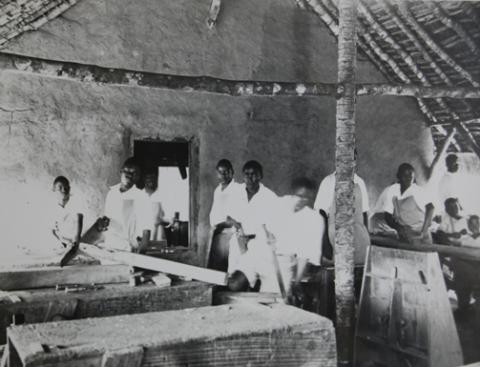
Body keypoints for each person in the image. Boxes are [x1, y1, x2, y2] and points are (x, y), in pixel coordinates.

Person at [227, 177, 324, 299]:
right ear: (292, 193)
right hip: (258, 252)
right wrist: (268, 231)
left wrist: (297, 281)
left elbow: (304, 255)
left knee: (272, 304)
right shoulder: (278, 203)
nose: (301, 200)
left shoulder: (314, 220)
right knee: (235, 284)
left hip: (282, 263)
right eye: (298, 196)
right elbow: (258, 220)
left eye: (306, 198)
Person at [225, 160, 278, 273]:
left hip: (259, 244)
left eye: (253, 174)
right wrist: (236, 225)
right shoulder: (236, 193)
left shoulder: (270, 197)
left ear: (260, 176)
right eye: (246, 174)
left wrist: (255, 238)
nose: (249, 178)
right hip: (237, 241)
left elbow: (274, 226)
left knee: (254, 277)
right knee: (234, 276)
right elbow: (227, 216)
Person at [314, 158, 370, 265]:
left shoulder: (360, 182)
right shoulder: (329, 181)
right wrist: (325, 241)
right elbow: (321, 212)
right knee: (340, 268)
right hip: (336, 232)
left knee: (360, 269)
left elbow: (364, 212)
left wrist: (366, 238)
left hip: (359, 234)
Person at [384, 163, 435, 244]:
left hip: (420, 233)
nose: (407, 178)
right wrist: (399, 228)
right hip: (405, 233)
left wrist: (423, 232)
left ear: (414, 177)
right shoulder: (393, 191)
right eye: (404, 175)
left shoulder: (417, 191)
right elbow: (387, 215)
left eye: (410, 176)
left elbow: (431, 208)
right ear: (398, 176)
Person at [207, 159, 242, 271]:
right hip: (217, 232)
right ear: (217, 174)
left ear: (232, 172)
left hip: (230, 233)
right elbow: (215, 212)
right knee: (215, 266)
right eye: (220, 172)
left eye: (226, 172)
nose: (223, 175)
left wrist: (229, 222)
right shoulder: (217, 190)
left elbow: (236, 216)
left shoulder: (238, 188)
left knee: (227, 266)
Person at [103, 157, 143, 251]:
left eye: (133, 173)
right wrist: (103, 223)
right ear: (121, 172)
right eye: (126, 171)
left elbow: (144, 227)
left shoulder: (140, 196)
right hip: (110, 245)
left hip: (128, 247)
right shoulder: (111, 193)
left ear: (138, 177)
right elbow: (108, 218)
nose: (129, 175)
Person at [50, 176, 83, 248]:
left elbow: (79, 219)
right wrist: (60, 242)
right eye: (60, 188)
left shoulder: (74, 204)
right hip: (60, 241)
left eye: (66, 189)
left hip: (74, 239)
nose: (64, 191)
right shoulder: (52, 208)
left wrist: (76, 240)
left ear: (69, 190)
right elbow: (52, 231)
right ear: (54, 190)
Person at [135, 168, 166, 242]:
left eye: (153, 178)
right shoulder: (138, 196)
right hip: (140, 235)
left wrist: (161, 221)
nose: (151, 180)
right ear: (144, 179)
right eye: (148, 177)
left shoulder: (160, 196)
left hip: (156, 235)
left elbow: (164, 217)